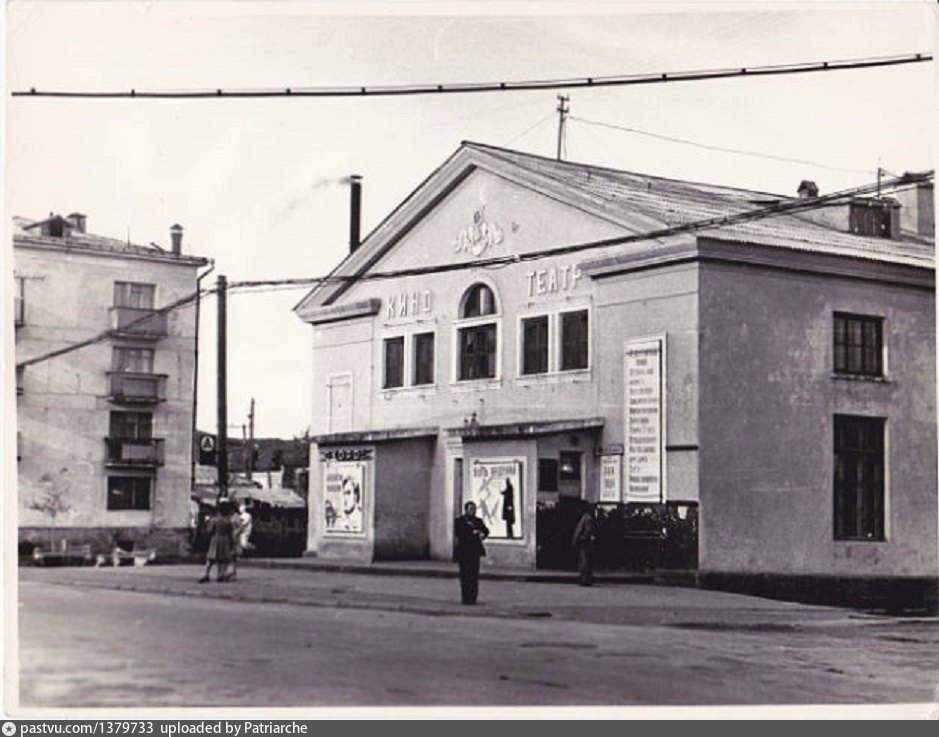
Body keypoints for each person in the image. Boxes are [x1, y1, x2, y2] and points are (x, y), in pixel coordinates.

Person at [454, 501, 489, 605]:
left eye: (474, 509)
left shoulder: (478, 521)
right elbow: (459, 532)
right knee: (465, 575)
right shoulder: (459, 521)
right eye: (471, 509)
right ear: (466, 510)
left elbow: (486, 531)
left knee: (474, 575)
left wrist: (482, 534)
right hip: (464, 551)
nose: (473, 511)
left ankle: (473, 598)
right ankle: (465, 598)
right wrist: (472, 532)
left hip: (474, 551)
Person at [198, 499, 235, 583]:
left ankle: (207, 574)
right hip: (225, 540)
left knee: (211, 558)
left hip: (215, 538)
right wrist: (232, 543)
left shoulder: (214, 520)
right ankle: (220, 575)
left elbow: (209, 530)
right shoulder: (228, 521)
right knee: (223, 559)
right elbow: (230, 533)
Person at [571, 502, 598, 587]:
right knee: (584, 561)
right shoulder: (586, 517)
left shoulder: (587, 518)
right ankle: (585, 578)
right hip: (585, 542)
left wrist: (582, 538)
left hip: (585, 543)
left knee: (585, 561)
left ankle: (585, 579)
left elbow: (588, 530)